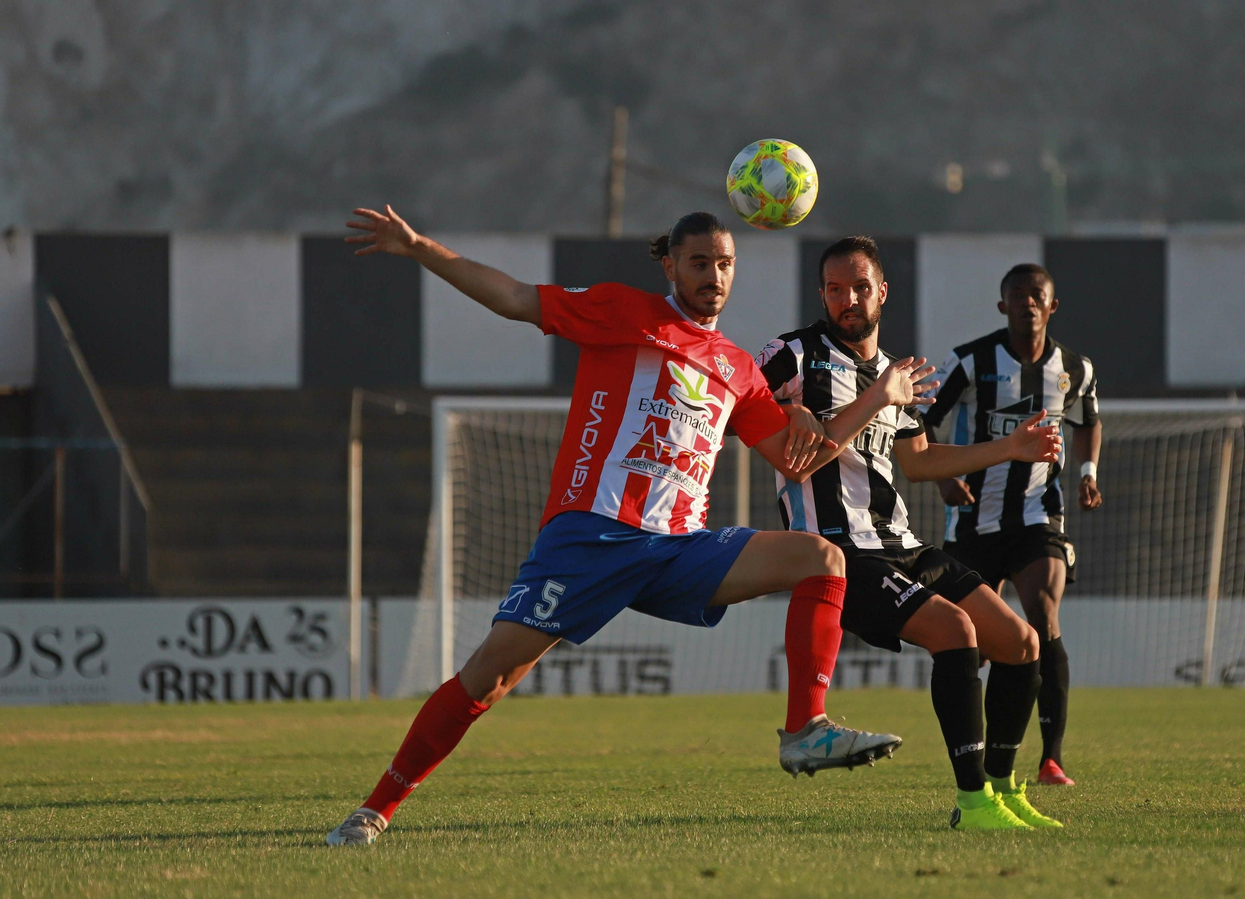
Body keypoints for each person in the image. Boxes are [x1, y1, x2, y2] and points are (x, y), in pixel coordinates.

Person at [325, 208, 905, 847]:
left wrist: (871, 401)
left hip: (677, 548)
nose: (714, 276)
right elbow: (515, 298)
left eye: (725, 264)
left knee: (821, 559)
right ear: (670, 266)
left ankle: (804, 731)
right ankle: (375, 809)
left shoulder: (738, 368)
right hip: (591, 537)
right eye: (699, 263)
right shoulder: (622, 311)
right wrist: (418, 248)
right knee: (488, 678)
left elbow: (802, 462)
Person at [756, 236, 1066, 831]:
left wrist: (1011, 448)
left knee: (1021, 643)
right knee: (956, 632)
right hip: (838, 555)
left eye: (860, 287)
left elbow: (919, 463)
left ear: (882, 292)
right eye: (835, 289)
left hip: (901, 544)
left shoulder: (891, 373)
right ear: (821, 293)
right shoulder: (793, 355)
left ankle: (1002, 791)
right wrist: (803, 408)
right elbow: (749, 405)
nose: (848, 299)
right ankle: (973, 804)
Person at [922, 263, 1100, 787]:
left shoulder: (1074, 368)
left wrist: (1088, 472)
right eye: (1017, 296)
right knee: (970, 644)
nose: (1027, 303)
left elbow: (1088, 420)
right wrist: (943, 480)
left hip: (1037, 517)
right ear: (1002, 306)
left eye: (1036, 295)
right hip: (973, 521)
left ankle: (1052, 758)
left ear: (1052, 305)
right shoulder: (971, 360)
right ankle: (978, 761)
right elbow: (922, 417)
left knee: (1042, 619)